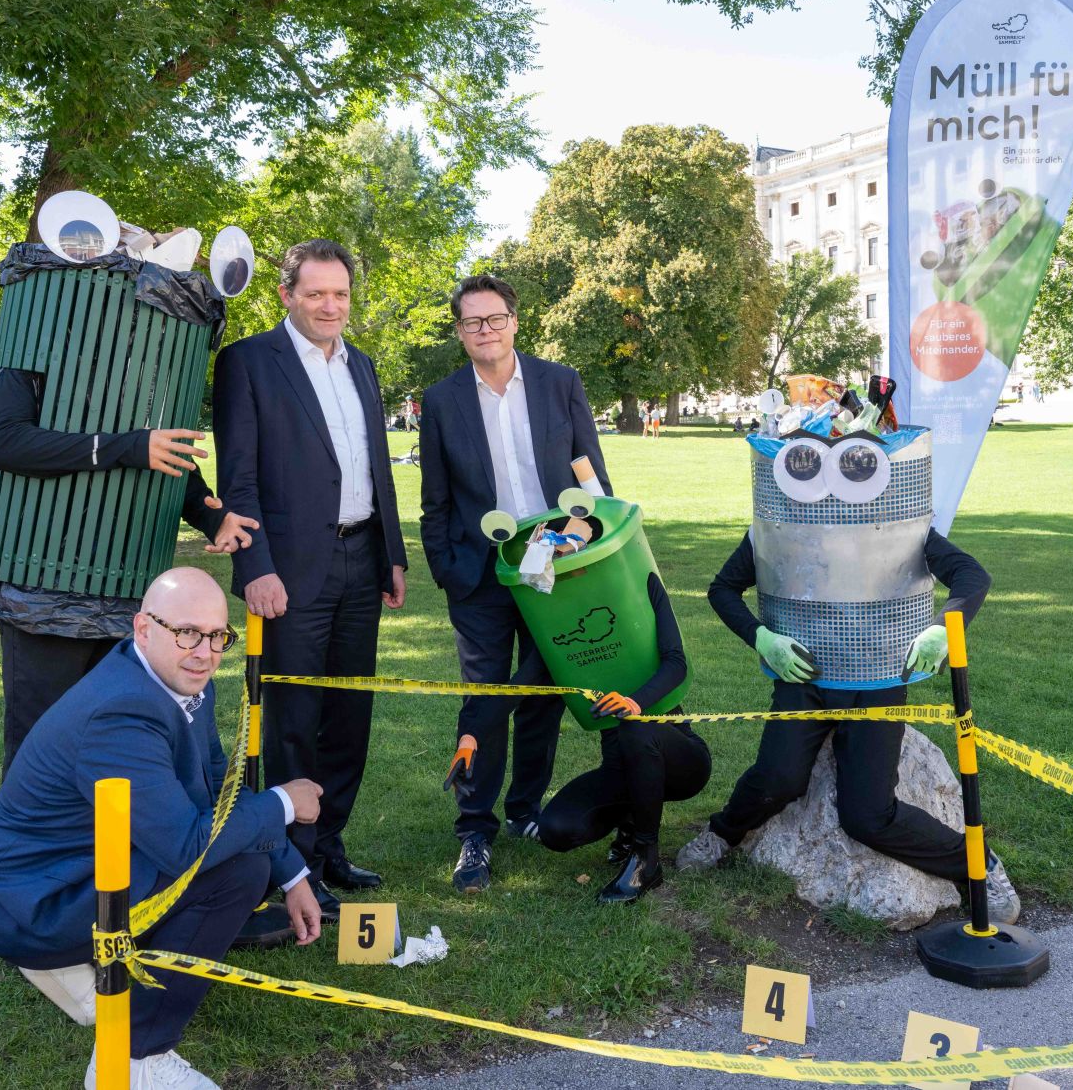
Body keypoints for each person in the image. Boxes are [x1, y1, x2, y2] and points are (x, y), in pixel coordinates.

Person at [0, 568, 324, 1090]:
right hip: (37, 903)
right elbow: (183, 848)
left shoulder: (174, 676)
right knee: (237, 871)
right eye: (188, 632)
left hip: (77, 869)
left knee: (253, 860)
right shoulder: (121, 710)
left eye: (218, 636)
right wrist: (284, 802)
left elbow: (220, 785)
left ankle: (100, 976)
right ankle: (131, 1061)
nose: (206, 652)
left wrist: (294, 875)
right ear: (142, 629)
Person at [677, 525, 1021, 924]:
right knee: (778, 779)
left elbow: (972, 576)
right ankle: (720, 834)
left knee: (868, 816)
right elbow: (723, 589)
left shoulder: (898, 522)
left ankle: (981, 866)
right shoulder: (778, 525)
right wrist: (763, 638)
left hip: (877, 679)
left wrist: (943, 628)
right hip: (804, 676)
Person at [214, 238, 408, 924]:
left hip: (362, 561)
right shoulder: (246, 363)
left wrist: (393, 553)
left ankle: (329, 846)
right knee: (293, 720)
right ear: (286, 294)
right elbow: (237, 474)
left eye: (341, 294)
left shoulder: (363, 365)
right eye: (317, 293)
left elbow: (374, 464)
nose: (331, 306)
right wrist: (253, 565)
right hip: (289, 569)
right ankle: (289, 859)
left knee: (348, 715)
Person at [418, 273, 611, 893]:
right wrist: (450, 571)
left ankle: (525, 808)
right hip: (480, 575)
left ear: (515, 321)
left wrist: (586, 535)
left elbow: (591, 475)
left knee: (544, 692)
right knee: (485, 697)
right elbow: (436, 502)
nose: (485, 330)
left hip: (555, 567)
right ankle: (475, 828)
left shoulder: (560, 384)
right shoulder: (442, 400)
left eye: (495, 319)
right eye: (473, 322)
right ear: (460, 331)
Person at [0, 357, 252, 775]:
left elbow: (163, 457)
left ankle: (111, 840)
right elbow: (3, 443)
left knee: (119, 740)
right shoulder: (33, 353)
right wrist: (127, 447)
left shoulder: (144, 373)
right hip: (44, 591)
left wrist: (213, 518)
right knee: (43, 743)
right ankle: (39, 840)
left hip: (126, 588)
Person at [531, 570, 709, 903]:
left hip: (679, 758)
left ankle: (645, 859)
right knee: (555, 829)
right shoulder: (559, 611)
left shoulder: (642, 581)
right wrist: (473, 734)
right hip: (621, 767)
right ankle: (629, 820)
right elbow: (522, 682)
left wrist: (634, 702)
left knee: (635, 725)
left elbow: (676, 662)